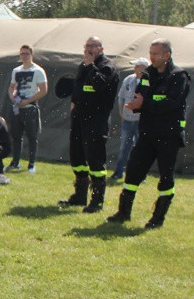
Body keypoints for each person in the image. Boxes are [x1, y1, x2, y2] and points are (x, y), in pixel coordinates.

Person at [107, 39, 191, 228]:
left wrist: (145, 104)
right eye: (150, 53)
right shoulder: (147, 74)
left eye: (155, 54)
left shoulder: (179, 77)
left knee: (165, 177)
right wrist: (139, 104)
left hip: (168, 136)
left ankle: (158, 218)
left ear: (167, 55)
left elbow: (171, 103)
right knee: (133, 171)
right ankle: (123, 212)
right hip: (147, 133)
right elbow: (140, 95)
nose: (151, 57)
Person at [58, 36, 119, 213]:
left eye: (93, 46)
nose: (89, 49)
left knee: (95, 159)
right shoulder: (83, 65)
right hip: (79, 117)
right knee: (77, 157)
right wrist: (73, 104)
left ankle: (97, 200)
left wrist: (91, 65)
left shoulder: (108, 67)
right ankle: (80, 196)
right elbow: (78, 88)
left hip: (96, 120)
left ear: (101, 49)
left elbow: (99, 84)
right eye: (87, 46)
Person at [6, 45, 47, 173]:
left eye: (27, 54)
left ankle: (31, 164)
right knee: (16, 137)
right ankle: (15, 162)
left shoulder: (38, 71)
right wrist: (13, 98)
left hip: (30, 108)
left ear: (32, 55)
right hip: (17, 108)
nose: (24, 56)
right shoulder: (16, 70)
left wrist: (28, 101)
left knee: (32, 137)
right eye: (22, 54)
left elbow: (43, 90)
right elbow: (11, 87)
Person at [110, 57, 149, 180]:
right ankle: (119, 172)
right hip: (127, 120)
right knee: (124, 147)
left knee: (141, 149)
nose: (135, 68)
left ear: (144, 68)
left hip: (141, 121)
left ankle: (141, 175)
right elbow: (121, 97)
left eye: (138, 66)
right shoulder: (128, 79)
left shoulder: (150, 81)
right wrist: (121, 112)